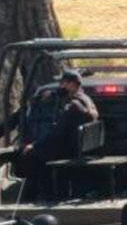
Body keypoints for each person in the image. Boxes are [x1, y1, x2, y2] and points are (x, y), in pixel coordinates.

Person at [18, 70, 99, 198]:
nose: (61, 86)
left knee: (33, 155)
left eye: (63, 83)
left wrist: (35, 145)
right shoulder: (84, 99)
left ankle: (43, 195)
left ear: (72, 84)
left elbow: (57, 132)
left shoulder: (74, 105)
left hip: (68, 149)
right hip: (76, 147)